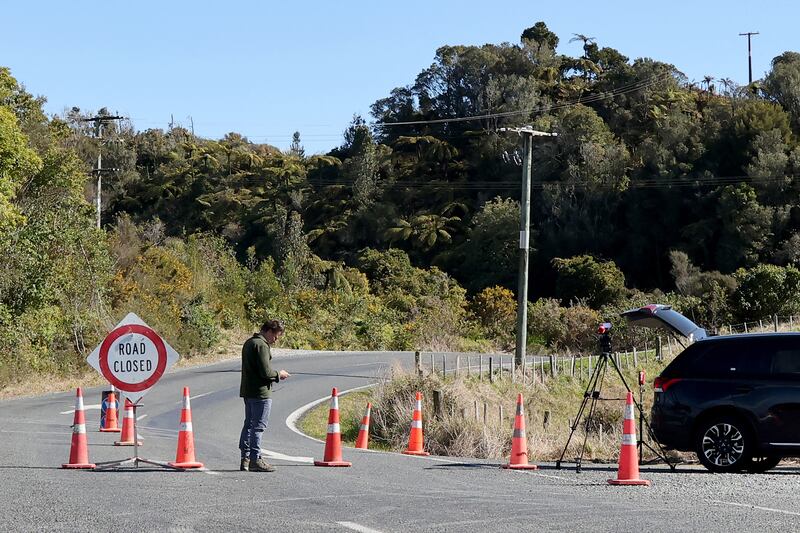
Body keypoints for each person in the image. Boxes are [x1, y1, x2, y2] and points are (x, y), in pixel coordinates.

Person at [239, 320, 290, 472]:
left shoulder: (249, 342)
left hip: (248, 390)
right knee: (258, 427)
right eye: (276, 335)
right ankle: (256, 459)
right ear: (269, 331)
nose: (276, 339)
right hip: (260, 392)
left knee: (248, 424)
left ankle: (245, 458)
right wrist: (279, 374)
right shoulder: (261, 345)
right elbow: (265, 372)